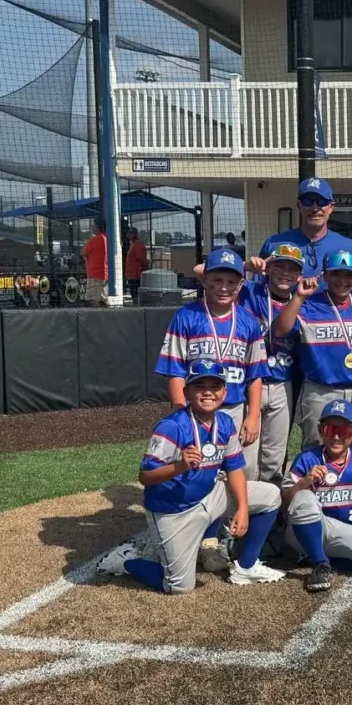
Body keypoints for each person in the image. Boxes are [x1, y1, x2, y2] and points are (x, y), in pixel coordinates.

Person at [96, 360, 286, 591]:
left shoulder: (225, 423)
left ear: (225, 393)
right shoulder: (171, 426)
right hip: (174, 511)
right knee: (179, 586)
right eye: (199, 386)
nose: (208, 392)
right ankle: (127, 561)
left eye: (215, 386)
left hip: (209, 496)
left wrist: (243, 508)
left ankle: (246, 567)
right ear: (186, 392)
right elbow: (145, 477)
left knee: (271, 495)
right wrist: (179, 466)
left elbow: (234, 468)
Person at [155, 247, 269, 572]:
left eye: (231, 282)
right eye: (216, 280)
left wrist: (253, 415)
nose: (223, 287)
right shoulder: (186, 316)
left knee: (241, 475)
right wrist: (182, 415)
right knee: (199, 474)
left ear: (241, 285)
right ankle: (198, 537)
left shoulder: (248, 322)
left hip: (234, 410)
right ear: (204, 280)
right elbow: (175, 369)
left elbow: (255, 374)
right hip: (196, 412)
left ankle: (225, 536)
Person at [283, 400, 352, 593]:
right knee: (304, 498)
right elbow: (284, 502)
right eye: (329, 429)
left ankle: (324, 557)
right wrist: (305, 482)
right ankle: (320, 563)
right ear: (321, 430)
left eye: (343, 431)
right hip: (305, 529)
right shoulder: (307, 459)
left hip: (343, 532)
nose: (335, 436)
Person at [273, 249, 352, 450]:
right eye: (336, 274)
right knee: (316, 446)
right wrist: (298, 297)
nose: (342, 280)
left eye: (349, 275)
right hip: (319, 390)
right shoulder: (310, 303)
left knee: (350, 448)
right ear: (325, 275)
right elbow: (279, 330)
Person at [238, 243, 305, 485]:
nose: (285, 273)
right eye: (279, 266)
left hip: (282, 383)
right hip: (249, 381)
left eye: (292, 269)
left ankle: (270, 504)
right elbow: (201, 271)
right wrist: (245, 266)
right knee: (245, 453)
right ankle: (242, 502)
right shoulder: (249, 291)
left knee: (274, 457)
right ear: (267, 268)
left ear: (299, 276)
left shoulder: (303, 302)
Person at [251, 178, 352, 302]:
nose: (315, 208)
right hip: (284, 312)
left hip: (332, 314)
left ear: (331, 207)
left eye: (321, 202)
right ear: (299, 205)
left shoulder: (348, 247)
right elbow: (258, 290)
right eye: (308, 201)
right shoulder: (275, 243)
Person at [82, 217, 109, 307]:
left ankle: (98, 315)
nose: (92, 227)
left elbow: (84, 253)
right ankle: (108, 314)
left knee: (93, 299)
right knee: (103, 299)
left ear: (97, 227)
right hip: (106, 274)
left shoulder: (94, 240)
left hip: (95, 274)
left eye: (93, 225)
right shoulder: (108, 239)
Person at [124, 227, 147, 302]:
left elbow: (141, 259)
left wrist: (140, 269)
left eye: (130, 233)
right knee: (133, 294)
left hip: (136, 276)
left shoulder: (138, 244)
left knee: (135, 294)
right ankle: (136, 303)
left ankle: (137, 305)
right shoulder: (133, 245)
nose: (128, 235)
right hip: (132, 275)